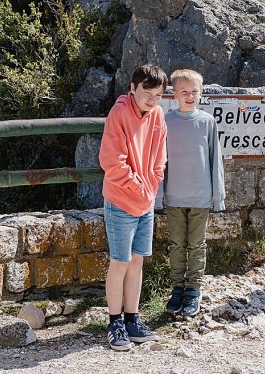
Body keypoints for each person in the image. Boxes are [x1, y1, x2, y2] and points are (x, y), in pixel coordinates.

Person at [98, 63, 168, 351]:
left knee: (138, 260)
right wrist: (139, 188)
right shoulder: (119, 113)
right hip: (120, 200)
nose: (151, 99)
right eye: (146, 92)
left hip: (145, 201)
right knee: (120, 261)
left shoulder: (158, 115)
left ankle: (132, 319)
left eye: (158, 94)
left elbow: (159, 158)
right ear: (133, 89)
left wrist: (150, 186)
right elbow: (112, 161)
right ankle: (115, 323)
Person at [155, 69, 226, 318]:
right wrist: (157, 196)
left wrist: (218, 197)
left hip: (200, 197)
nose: (190, 96)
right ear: (173, 94)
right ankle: (178, 289)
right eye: (184, 92)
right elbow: (158, 161)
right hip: (174, 196)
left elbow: (214, 159)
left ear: (201, 92)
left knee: (196, 245)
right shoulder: (165, 121)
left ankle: (194, 289)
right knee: (176, 245)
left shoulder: (207, 121)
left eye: (194, 91)